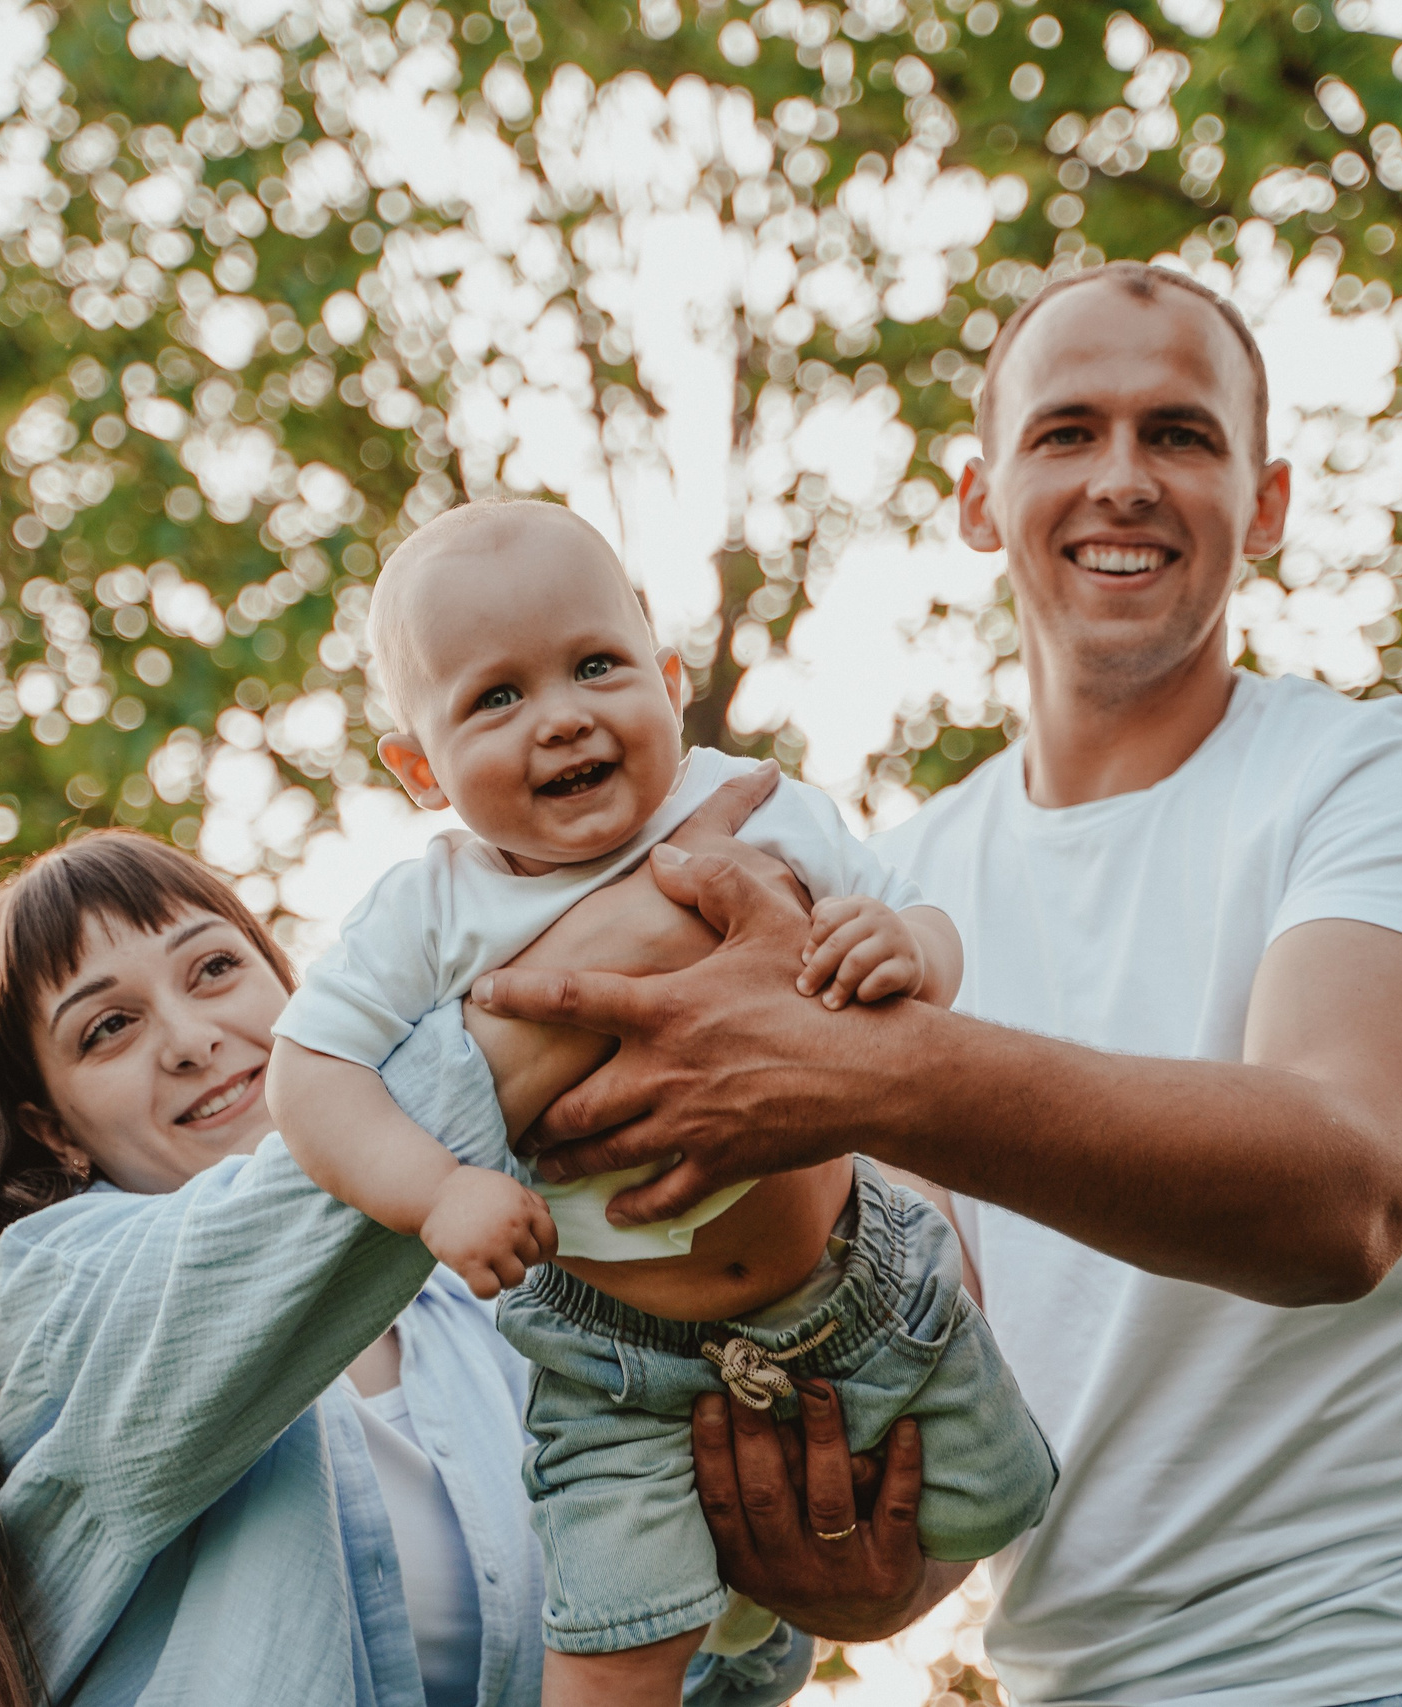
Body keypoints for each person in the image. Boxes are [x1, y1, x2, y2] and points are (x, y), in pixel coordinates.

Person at [473, 262, 1402, 1706]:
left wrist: (865, 1073)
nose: (1122, 477)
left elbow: (1350, 1187)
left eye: (1180, 435)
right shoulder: (898, 878)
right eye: (1066, 432)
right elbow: (941, 1350)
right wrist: (874, 1566)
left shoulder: (1382, 773)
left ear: (1265, 504)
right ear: (979, 499)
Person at [264, 499, 1055, 1704]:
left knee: (1004, 1500)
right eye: (496, 698)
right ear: (420, 768)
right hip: (614, 1359)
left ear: (668, 678)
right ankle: (700, 1604)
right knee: (609, 1650)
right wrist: (436, 1191)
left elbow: (929, 929)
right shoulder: (430, 910)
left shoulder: (750, 805)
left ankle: (749, 1599)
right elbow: (307, 1075)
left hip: (860, 1285)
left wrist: (897, 946)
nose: (563, 715)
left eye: (595, 666)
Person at [0, 826, 836, 1707]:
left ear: (294, 990)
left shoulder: (507, 1309)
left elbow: (695, 1662)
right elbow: (287, 1218)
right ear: (51, 1128)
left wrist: (777, 1580)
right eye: (107, 1028)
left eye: (211, 970)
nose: (191, 1040)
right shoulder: (56, 1292)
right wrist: (653, 903)